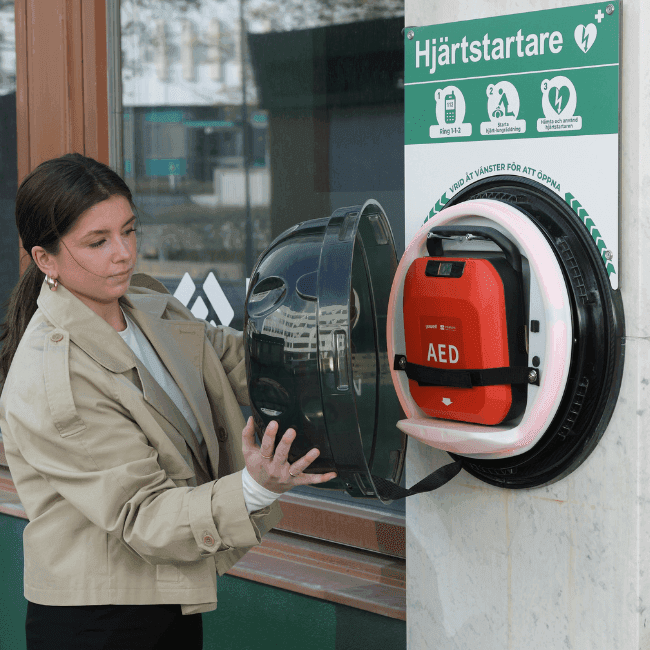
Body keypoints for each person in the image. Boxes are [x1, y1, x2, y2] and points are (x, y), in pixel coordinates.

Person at [0, 153, 337, 650]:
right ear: (45, 259)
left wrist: (345, 352)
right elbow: (144, 514)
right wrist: (255, 487)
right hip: (95, 622)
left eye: (129, 230)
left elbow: (236, 360)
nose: (124, 254)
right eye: (97, 242)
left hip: (171, 595)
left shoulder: (143, 302)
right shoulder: (53, 380)